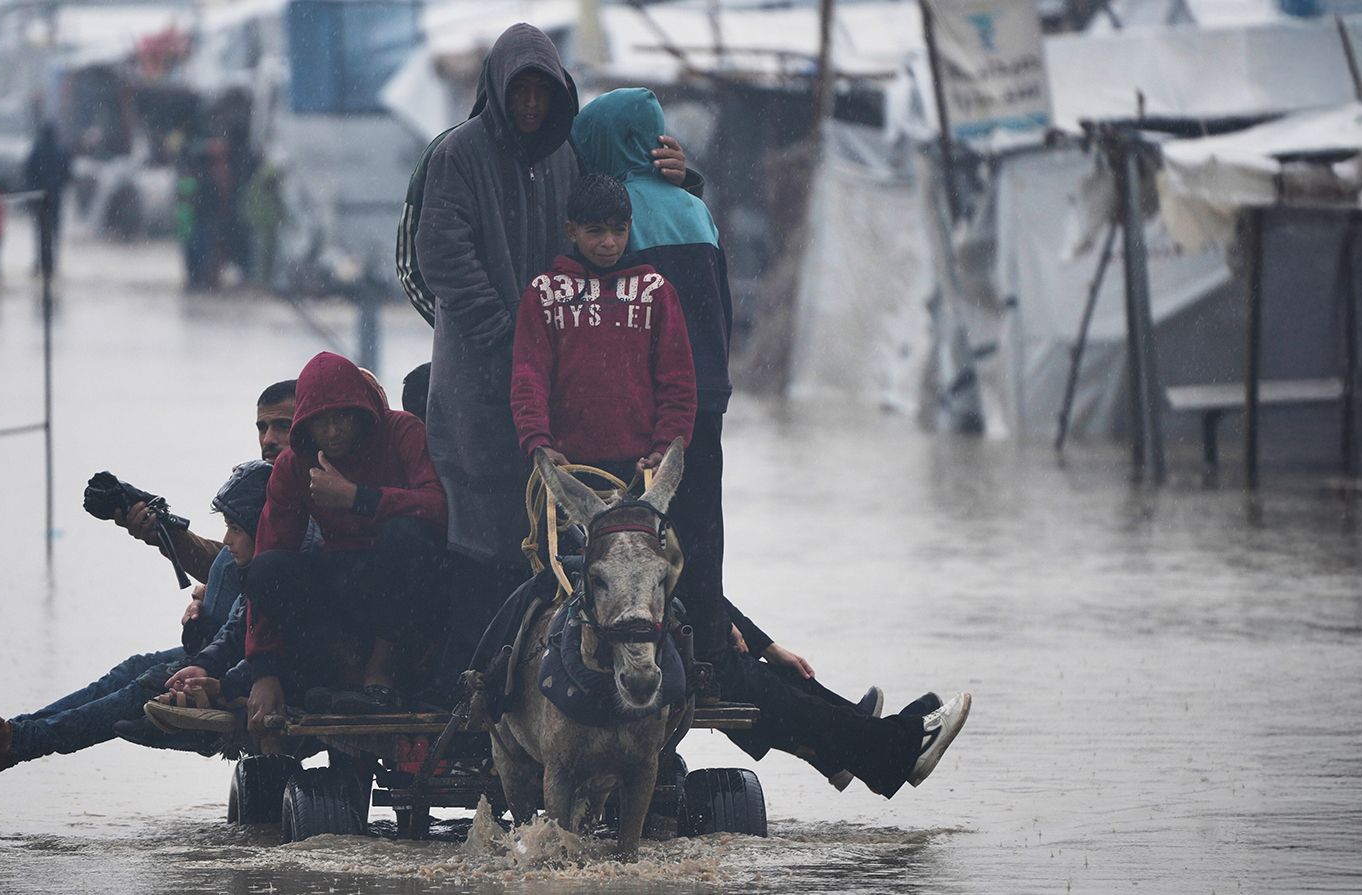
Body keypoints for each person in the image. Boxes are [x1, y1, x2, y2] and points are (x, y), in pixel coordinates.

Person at [570, 87, 971, 798]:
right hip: (703, 425)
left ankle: (874, 748)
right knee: (696, 597)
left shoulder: (603, 229)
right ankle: (846, 740)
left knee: (698, 637)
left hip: (640, 441)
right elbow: (719, 320)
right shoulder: (692, 209)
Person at [414, 23, 691, 701]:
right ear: (498, 92)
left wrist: (687, 177)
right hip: (477, 386)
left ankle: (561, 692)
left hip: (558, 396)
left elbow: (621, 208)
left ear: (560, 95)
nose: (532, 105)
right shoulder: (457, 155)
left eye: (543, 92)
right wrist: (513, 337)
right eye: (521, 92)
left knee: (561, 554)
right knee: (481, 542)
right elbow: (440, 254)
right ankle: (472, 696)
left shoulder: (571, 159)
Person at [0, 382, 298, 782]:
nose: (268, 440)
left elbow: (272, 589)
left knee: (145, 683)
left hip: (253, 658)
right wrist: (162, 532)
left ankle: (10, 743)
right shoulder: (271, 490)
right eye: (262, 427)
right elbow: (232, 560)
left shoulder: (310, 499)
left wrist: (223, 671)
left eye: (283, 426)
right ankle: (10, 736)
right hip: (225, 645)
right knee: (130, 671)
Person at [236, 352, 447, 724]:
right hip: (343, 584)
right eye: (320, 422)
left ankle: (381, 671)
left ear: (362, 413)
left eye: (342, 417)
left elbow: (437, 507)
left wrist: (358, 498)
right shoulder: (294, 464)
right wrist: (264, 671)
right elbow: (271, 552)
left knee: (407, 534)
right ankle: (348, 670)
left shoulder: (402, 432)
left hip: (405, 589)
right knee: (266, 570)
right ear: (306, 425)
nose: (332, 432)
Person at [511, 173, 696, 484]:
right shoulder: (544, 293)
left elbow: (678, 381)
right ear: (571, 230)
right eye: (595, 231)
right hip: (565, 465)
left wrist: (665, 448)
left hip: (641, 469)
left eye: (618, 231)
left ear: (630, 228)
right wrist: (538, 442)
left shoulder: (655, 292)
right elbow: (529, 378)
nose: (608, 243)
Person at [23, 122, 73, 280]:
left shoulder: (37, 150)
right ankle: (52, 264)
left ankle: (42, 262)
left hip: (40, 198)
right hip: (54, 198)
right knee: (54, 231)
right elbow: (68, 175)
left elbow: (28, 172)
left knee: (41, 232)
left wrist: (37, 187)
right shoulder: (61, 150)